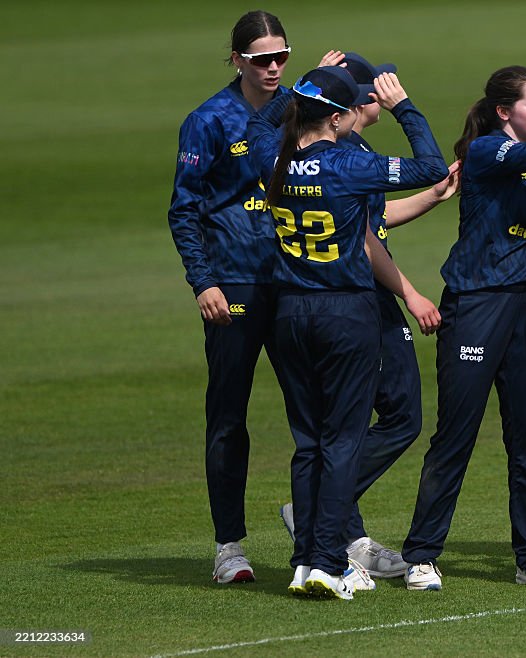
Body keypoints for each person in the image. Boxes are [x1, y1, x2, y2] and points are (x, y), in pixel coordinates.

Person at [401, 61, 526, 591]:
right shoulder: (488, 150)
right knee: (457, 434)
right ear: (503, 112)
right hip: (477, 306)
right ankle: (422, 554)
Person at [247, 64, 447, 598]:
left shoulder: (273, 158)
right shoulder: (344, 165)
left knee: (307, 442)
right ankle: (329, 562)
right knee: (341, 440)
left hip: (289, 314)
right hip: (345, 313)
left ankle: (303, 562)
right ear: (337, 118)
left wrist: (291, 95)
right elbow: (429, 166)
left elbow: (251, 132)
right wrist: (404, 106)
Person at [168, 10, 345, 584]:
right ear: (237, 59)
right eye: (261, 59)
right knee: (228, 417)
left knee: (315, 418)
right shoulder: (208, 120)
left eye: (281, 58)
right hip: (234, 283)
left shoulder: (297, 109)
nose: (273, 68)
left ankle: (323, 532)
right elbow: (184, 209)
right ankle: (229, 546)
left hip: (295, 281)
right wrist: (204, 281)